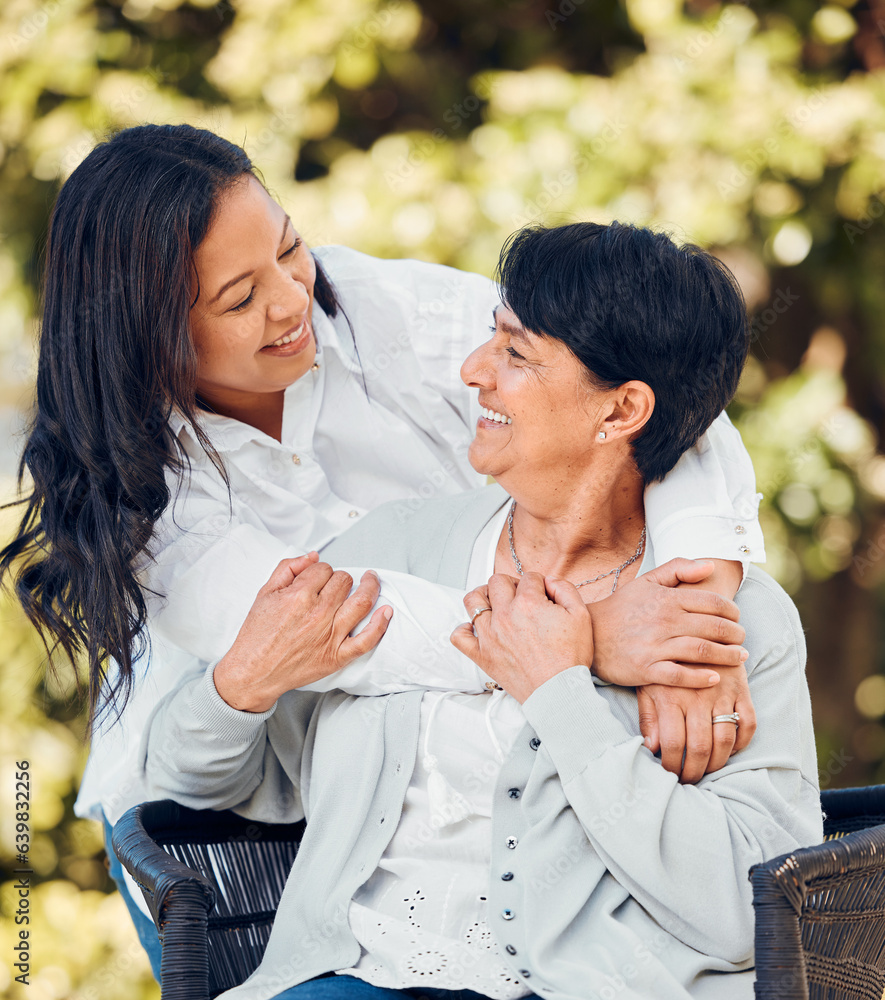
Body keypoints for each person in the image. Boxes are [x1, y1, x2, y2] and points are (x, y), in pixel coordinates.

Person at [2, 125, 760, 975]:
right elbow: (339, 630)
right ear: (145, 331)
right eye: (240, 298)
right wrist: (589, 638)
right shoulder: (135, 486)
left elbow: (655, 390)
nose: (291, 301)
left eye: (291, 249)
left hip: (451, 775)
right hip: (228, 809)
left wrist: (694, 613)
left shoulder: (381, 308)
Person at [144, 221, 821, 999]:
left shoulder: (723, 628)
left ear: (620, 410)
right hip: (350, 976)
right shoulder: (387, 551)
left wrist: (562, 695)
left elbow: (748, 909)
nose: (472, 372)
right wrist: (240, 688)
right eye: (488, 340)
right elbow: (199, 777)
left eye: (515, 354)